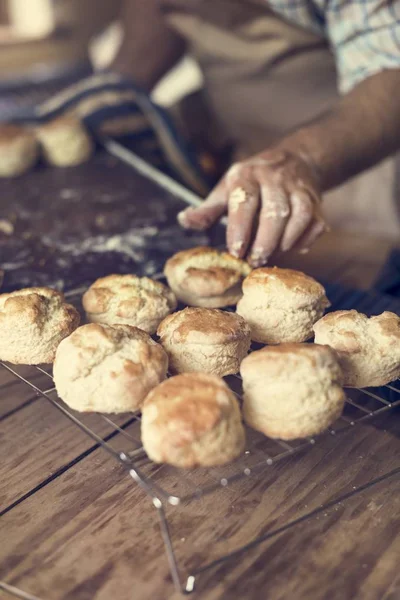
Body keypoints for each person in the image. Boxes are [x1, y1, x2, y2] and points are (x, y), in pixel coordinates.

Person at [108, 0, 400, 267]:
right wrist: (116, 87)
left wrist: (304, 159)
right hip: (246, 159)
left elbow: (392, 69)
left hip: (348, 169)